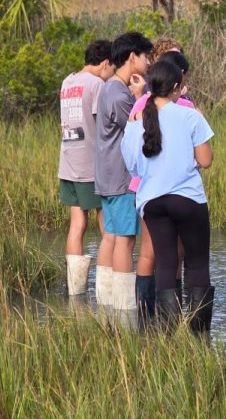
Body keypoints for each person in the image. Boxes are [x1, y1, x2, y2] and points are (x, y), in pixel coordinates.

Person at [122, 60, 215, 329]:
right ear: (176, 87)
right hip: (188, 198)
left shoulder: (136, 122)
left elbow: (133, 166)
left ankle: (167, 333)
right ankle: (199, 335)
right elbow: (206, 160)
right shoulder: (190, 116)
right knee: (197, 263)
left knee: (164, 262)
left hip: (151, 201)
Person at [128, 50, 196, 309]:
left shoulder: (140, 104)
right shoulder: (186, 106)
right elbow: (199, 154)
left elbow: (131, 146)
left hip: (144, 187)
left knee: (148, 251)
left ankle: (145, 316)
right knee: (176, 253)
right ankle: (172, 312)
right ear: (180, 79)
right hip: (178, 189)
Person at [95, 31, 152, 310]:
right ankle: (124, 304)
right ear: (133, 57)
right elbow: (136, 129)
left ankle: (105, 301)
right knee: (125, 240)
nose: (148, 62)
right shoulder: (120, 95)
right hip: (121, 177)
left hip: (106, 174)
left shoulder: (109, 88)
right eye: (146, 56)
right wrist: (141, 97)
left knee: (111, 235)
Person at [58, 39, 115, 296]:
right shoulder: (97, 84)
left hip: (68, 161)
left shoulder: (68, 81)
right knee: (107, 224)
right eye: (112, 67)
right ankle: (108, 285)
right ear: (104, 63)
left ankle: (75, 289)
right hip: (91, 163)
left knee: (77, 224)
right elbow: (101, 122)